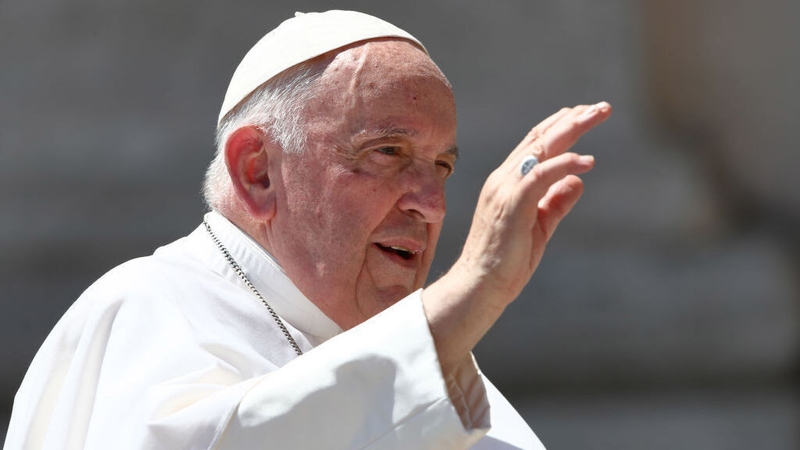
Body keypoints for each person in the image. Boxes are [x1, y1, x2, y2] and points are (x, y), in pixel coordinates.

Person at [5, 10, 611, 450]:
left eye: (444, 167)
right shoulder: (144, 309)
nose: (432, 204)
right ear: (258, 173)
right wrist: (474, 286)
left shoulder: (452, 374)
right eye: (387, 152)